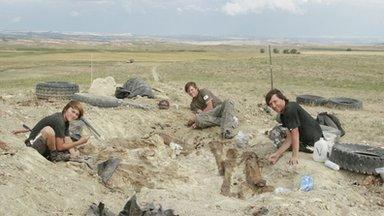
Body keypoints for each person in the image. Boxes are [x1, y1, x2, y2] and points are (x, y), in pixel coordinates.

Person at [12, 100, 89, 161]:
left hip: (43, 145)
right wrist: (79, 142)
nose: (74, 115)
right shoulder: (58, 120)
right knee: (48, 130)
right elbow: (60, 147)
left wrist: (74, 153)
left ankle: (55, 154)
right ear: (66, 109)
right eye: (73, 111)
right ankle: (54, 156)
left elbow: (67, 138)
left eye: (76, 114)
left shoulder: (65, 122)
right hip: (32, 146)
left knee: (69, 146)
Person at [265, 89, 322, 165]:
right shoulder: (285, 111)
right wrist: (277, 154)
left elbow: (295, 134)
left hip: (312, 143)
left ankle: (302, 148)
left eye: (275, 101)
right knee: (277, 136)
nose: (273, 106)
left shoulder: (289, 110)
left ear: (282, 98)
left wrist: (294, 156)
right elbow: (290, 137)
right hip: (314, 137)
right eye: (271, 104)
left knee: (275, 137)